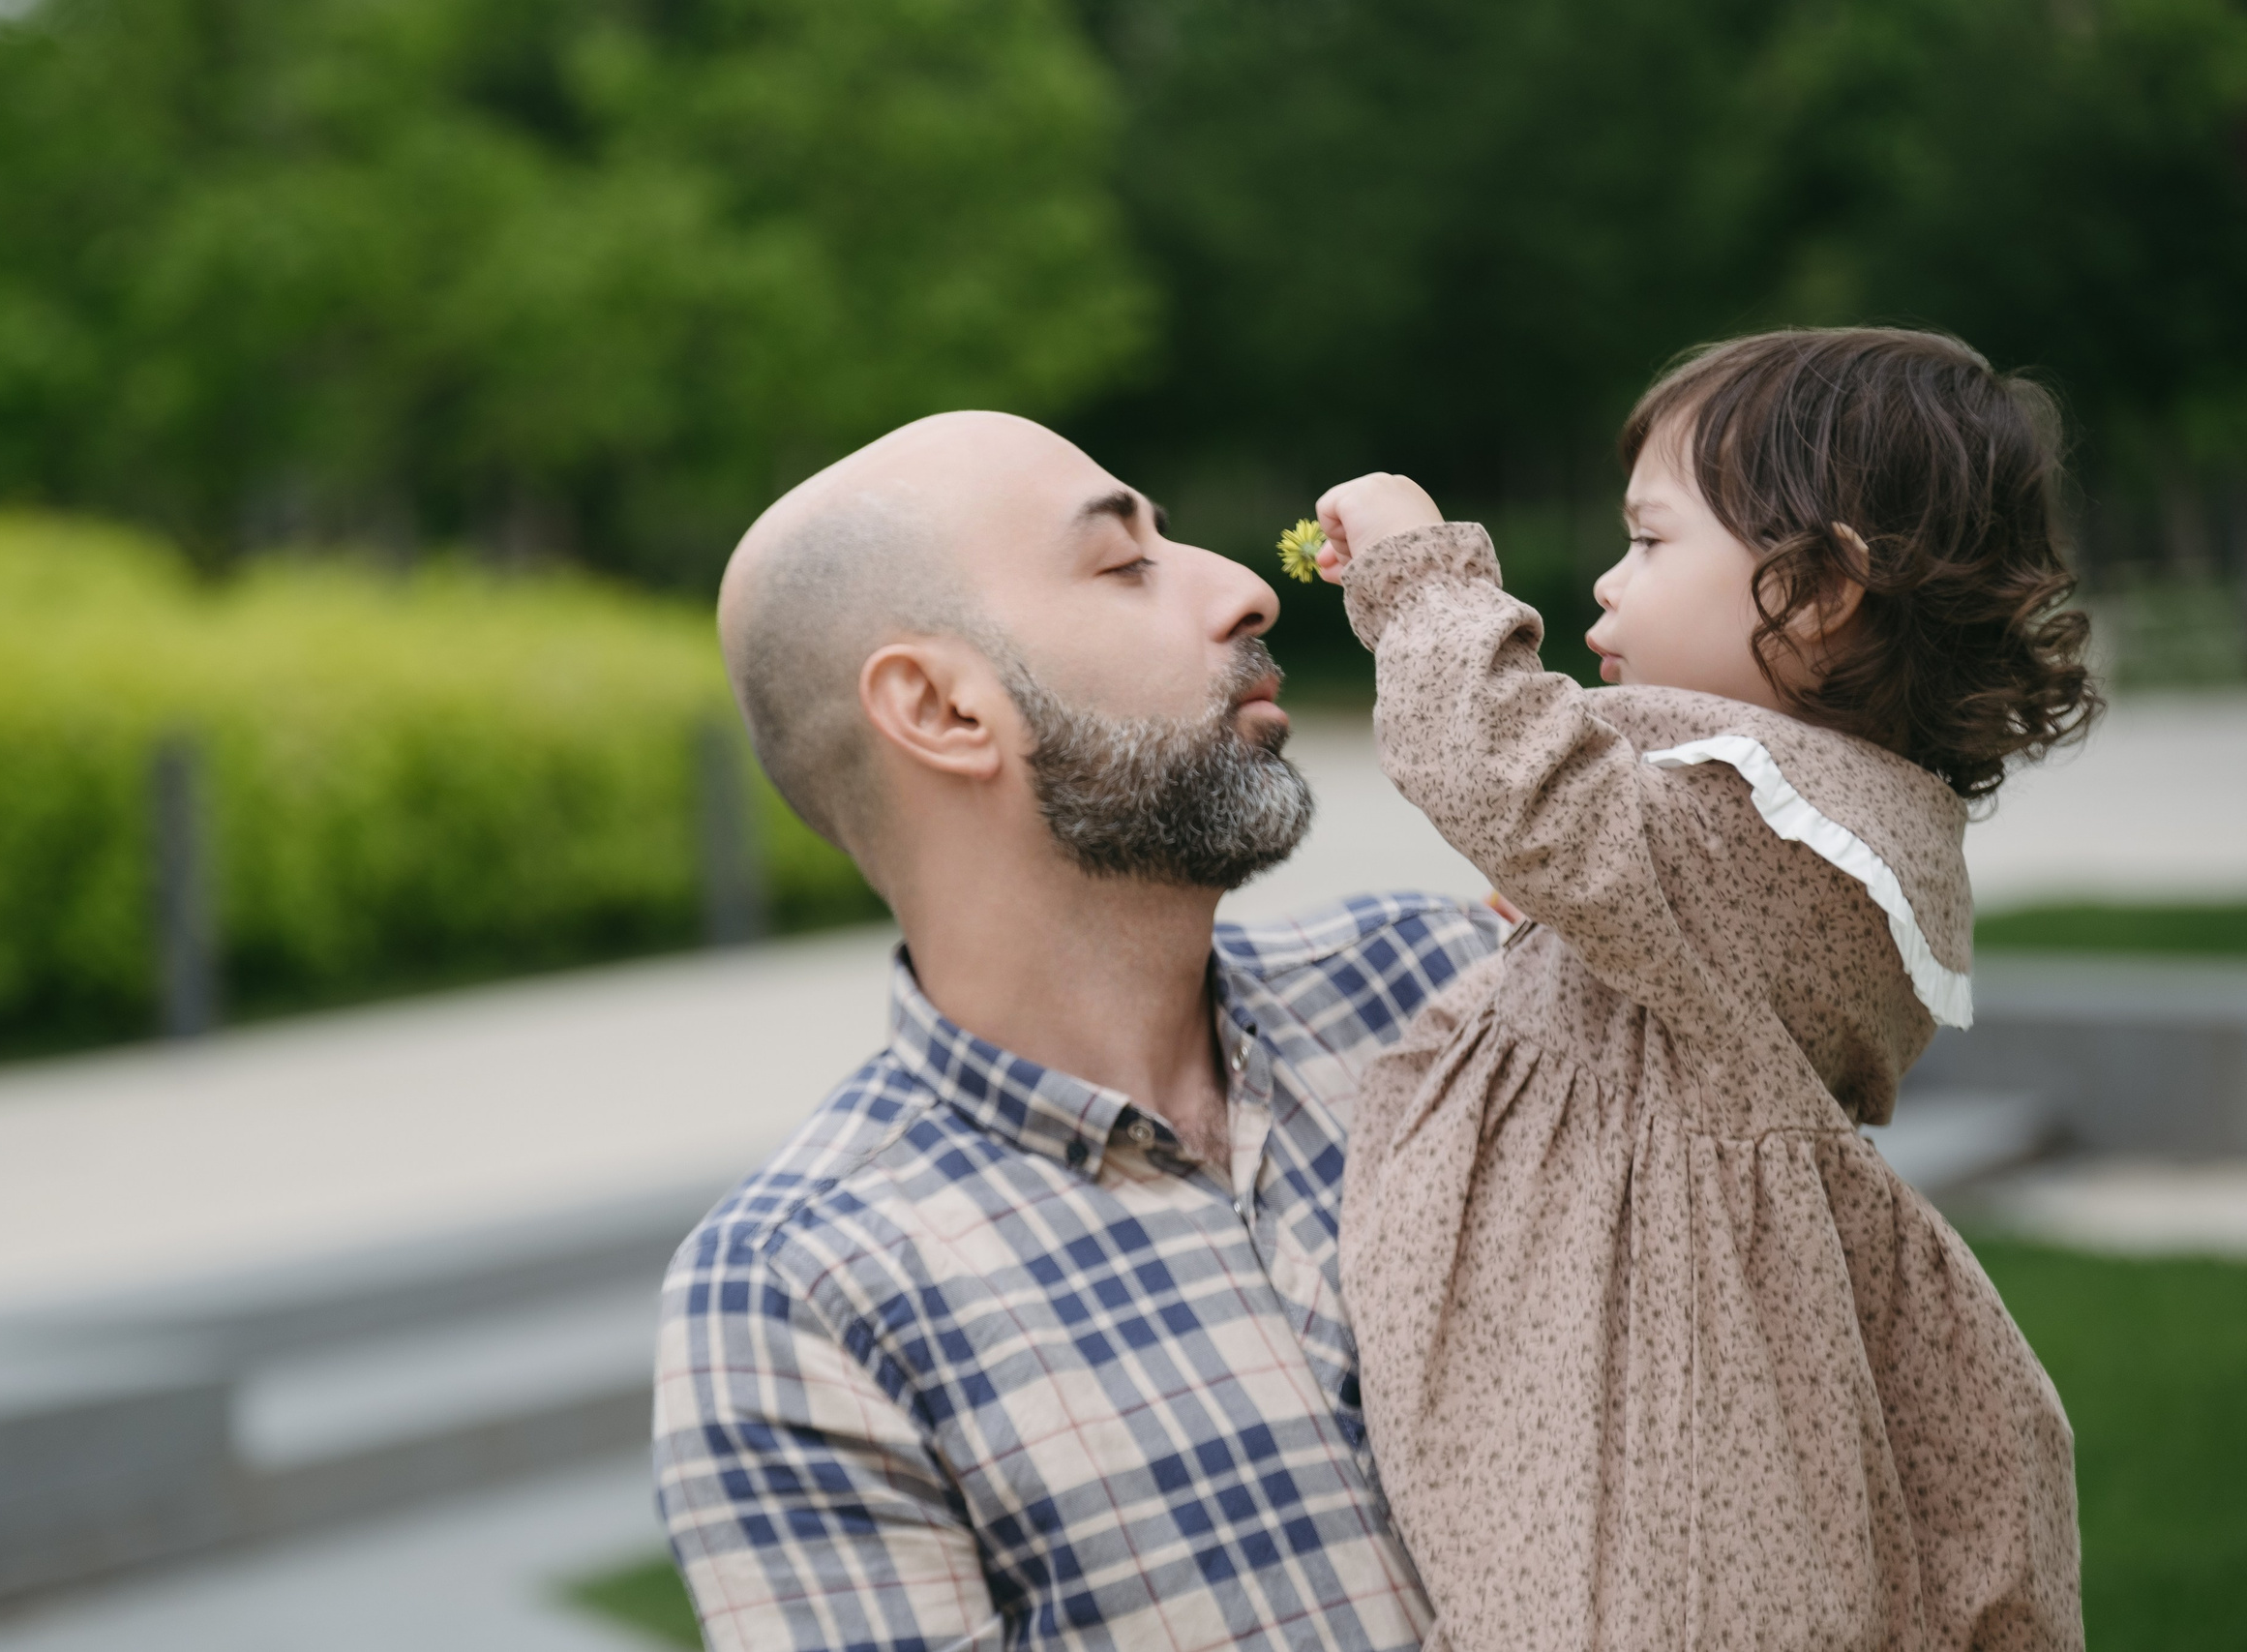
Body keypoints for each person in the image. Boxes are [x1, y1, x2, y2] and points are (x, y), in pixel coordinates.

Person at [651, 410, 1500, 1651]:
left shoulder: (1451, 988)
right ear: (941, 707)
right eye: (1125, 564)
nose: (1247, 591)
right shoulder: (802, 1301)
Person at [1308, 328, 2094, 1649]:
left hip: (1655, 1395)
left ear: (1820, 586)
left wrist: (1416, 565)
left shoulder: (1783, 818)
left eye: (1651, 541)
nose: (1607, 584)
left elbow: (1504, 768)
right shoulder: (1806, 823)